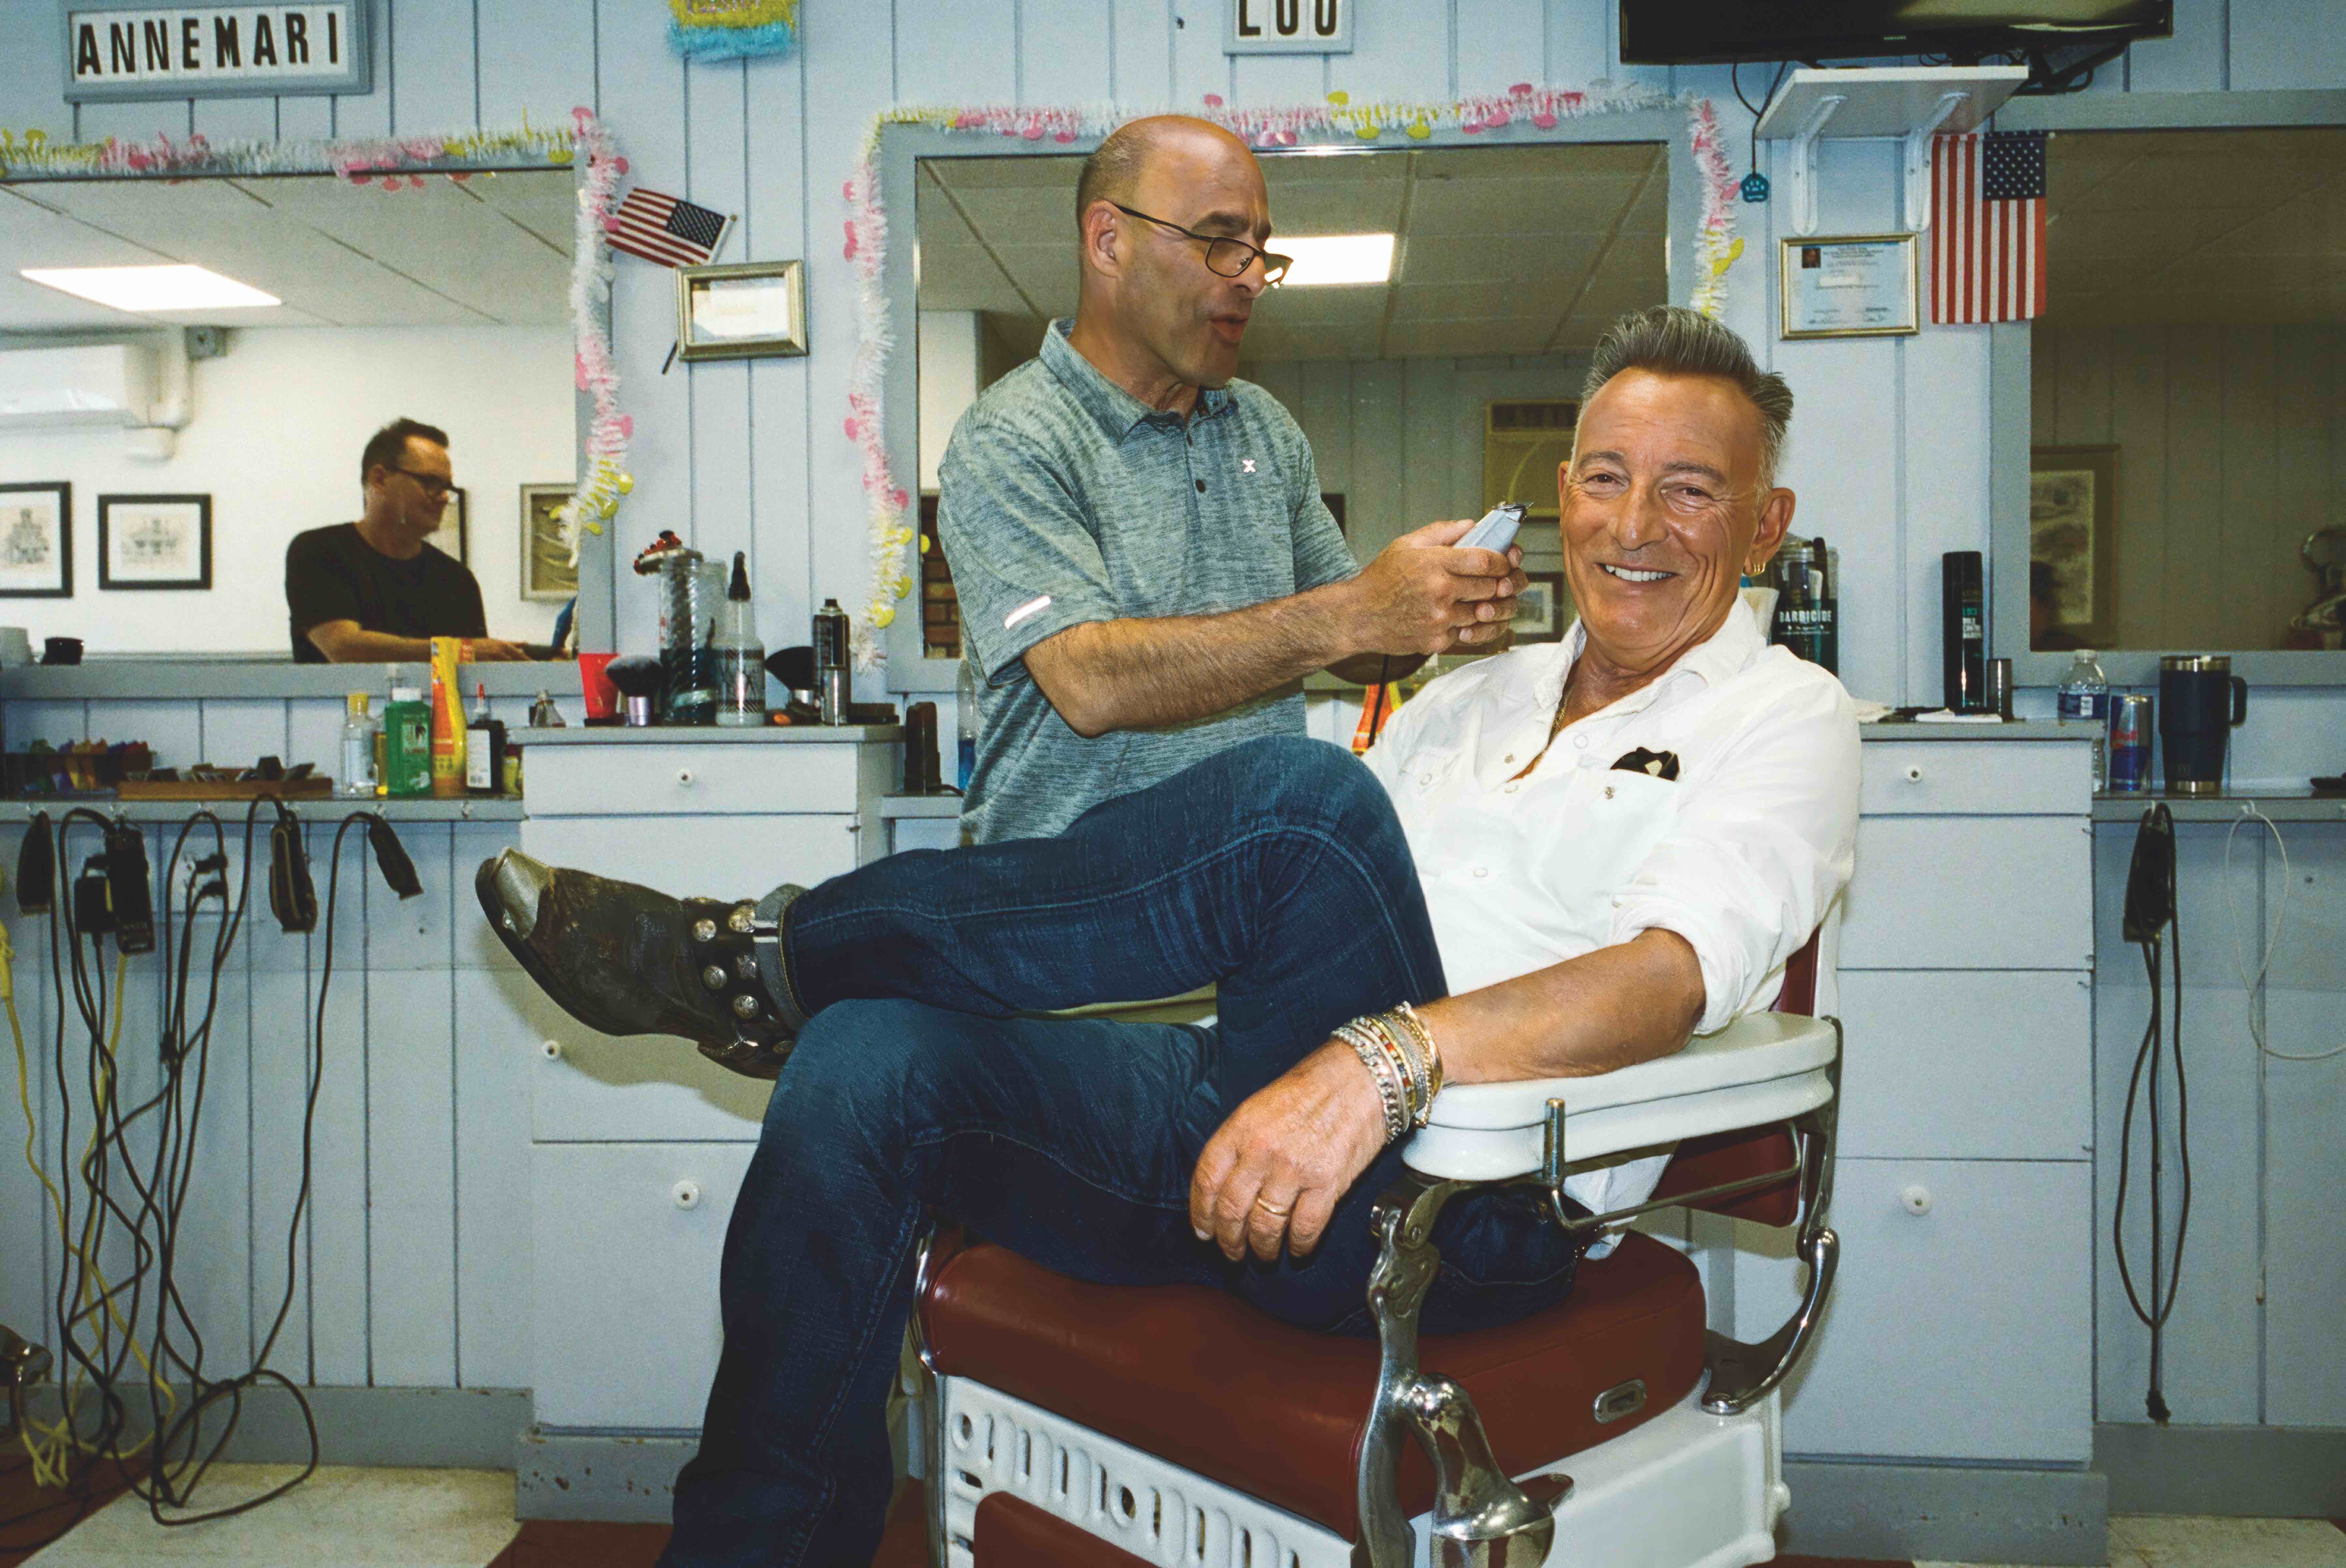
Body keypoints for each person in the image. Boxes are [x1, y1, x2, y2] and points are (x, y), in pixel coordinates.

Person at [480, 306, 1860, 1567]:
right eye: (1605, 475)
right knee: (864, 1062)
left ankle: (750, 959)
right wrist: (1320, 1057)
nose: (1635, 521)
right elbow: (1300, 918)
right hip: (1263, 1106)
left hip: (1476, 1199)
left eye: (1689, 489)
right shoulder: (1471, 695)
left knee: (1307, 813)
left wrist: (1386, 1061)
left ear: (1760, 524)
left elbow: (1667, 976)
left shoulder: (1785, 719)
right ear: (1558, 495)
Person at [940, 115, 1526, 843]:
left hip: (1248, 889)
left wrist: (1434, 608)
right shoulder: (1014, 435)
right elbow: (1087, 682)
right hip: (1071, 905)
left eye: (1259, 249)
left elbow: (1354, 646)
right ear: (1108, 241)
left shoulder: (1265, 428)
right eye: (1221, 241)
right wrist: (1355, 610)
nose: (1251, 275)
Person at [285, 417, 533, 663]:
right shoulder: (319, 552)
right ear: (380, 479)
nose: (445, 498)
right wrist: (459, 651)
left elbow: (472, 676)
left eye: (447, 487)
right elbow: (342, 647)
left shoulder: (457, 581)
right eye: (430, 483)